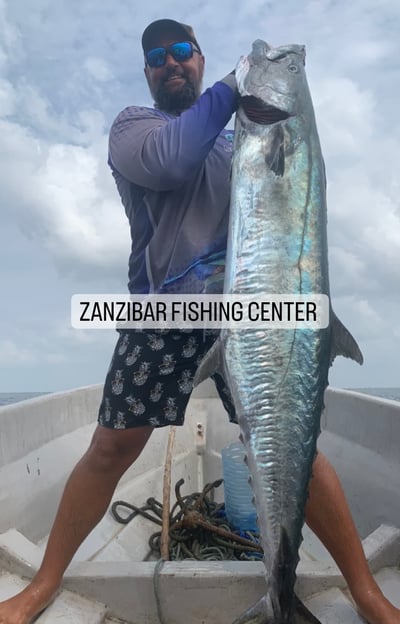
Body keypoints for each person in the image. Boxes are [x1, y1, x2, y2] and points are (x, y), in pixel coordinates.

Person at [0, 18, 398, 624]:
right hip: (161, 313)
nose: (172, 63)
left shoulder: (238, 142)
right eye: (158, 57)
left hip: (251, 321)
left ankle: (365, 592)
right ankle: (43, 584)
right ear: (147, 73)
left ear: (202, 58)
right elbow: (170, 162)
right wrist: (239, 88)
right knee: (111, 448)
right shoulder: (135, 129)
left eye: (182, 51)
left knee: (297, 450)